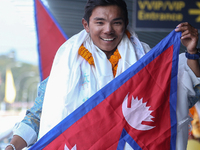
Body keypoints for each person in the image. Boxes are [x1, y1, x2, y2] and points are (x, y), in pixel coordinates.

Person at [5, 0, 200, 149]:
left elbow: (174, 100)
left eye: (116, 23)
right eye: (100, 22)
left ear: (125, 24)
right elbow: (37, 116)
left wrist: (191, 53)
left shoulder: (147, 61)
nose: (108, 30)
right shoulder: (66, 65)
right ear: (86, 25)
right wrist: (12, 146)